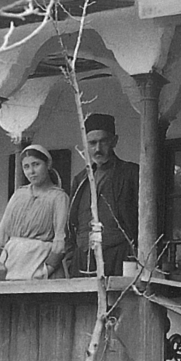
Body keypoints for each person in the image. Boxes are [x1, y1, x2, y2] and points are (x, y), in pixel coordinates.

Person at [67, 113, 139, 277]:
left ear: (114, 141)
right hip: (84, 258)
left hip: (118, 255)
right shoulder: (80, 180)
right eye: (92, 143)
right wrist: (71, 256)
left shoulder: (130, 173)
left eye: (103, 141)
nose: (97, 149)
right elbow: (72, 222)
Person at [0, 144, 69, 280]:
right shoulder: (19, 194)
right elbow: (2, 234)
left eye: (36, 164)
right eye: (26, 167)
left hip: (40, 267)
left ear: (48, 164)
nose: (31, 171)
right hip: (11, 266)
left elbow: (60, 241)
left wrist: (46, 270)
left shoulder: (58, 197)